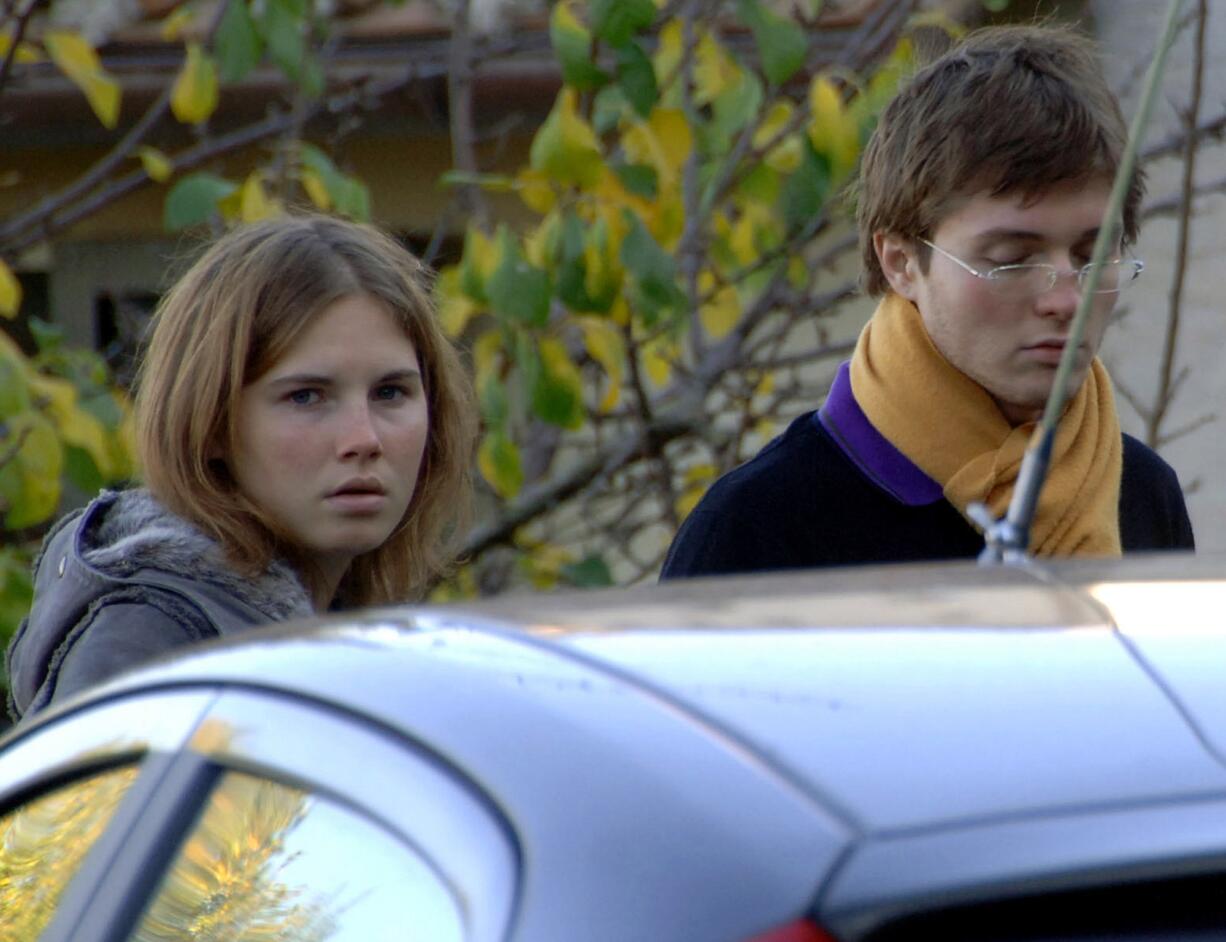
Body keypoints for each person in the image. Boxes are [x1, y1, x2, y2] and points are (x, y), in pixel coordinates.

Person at [661, 24, 1194, 580]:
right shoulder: (757, 529)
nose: (1067, 299)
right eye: (1011, 259)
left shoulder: (1142, 491)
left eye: (1093, 255)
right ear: (901, 261)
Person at [7, 214, 477, 719]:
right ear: (209, 424)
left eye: (390, 392)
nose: (364, 439)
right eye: (307, 396)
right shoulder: (151, 644)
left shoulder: (346, 632)